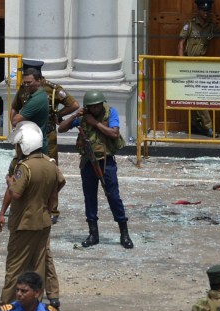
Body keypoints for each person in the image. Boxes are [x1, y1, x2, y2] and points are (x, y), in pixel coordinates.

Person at [0, 122, 60, 311]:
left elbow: (15, 193)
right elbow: (60, 182)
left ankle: (6, 306)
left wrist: (10, 182)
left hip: (24, 223)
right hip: (43, 222)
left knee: (14, 267)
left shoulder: (24, 167)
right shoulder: (49, 164)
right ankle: (33, 306)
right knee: (38, 266)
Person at [58, 90, 134, 249]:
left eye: (98, 105)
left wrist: (95, 123)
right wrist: (74, 116)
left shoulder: (110, 112)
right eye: (92, 107)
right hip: (88, 161)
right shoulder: (83, 115)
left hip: (106, 162)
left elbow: (114, 133)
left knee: (113, 196)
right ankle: (93, 234)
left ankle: (124, 233)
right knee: (90, 197)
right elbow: (62, 128)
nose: (96, 109)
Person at [11, 59, 80, 224]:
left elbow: (74, 104)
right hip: (26, 136)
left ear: (38, 78)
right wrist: (14, 124)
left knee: (50, 173)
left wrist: (57, 115)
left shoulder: (51, 89)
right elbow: (15, 106)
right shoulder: (23, 88)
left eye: (29, 79)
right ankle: (28, 205)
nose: (26, 84)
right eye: (24, 79)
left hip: (46, 135)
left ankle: (53, 209)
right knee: (25, 170)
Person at [178, 0, 220, 137]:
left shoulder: (210, 27)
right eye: (203, 11)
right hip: (189, 63)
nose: (205, 14)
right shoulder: (190, 25)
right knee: (194, 96)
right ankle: (206, 126)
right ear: (198, 10)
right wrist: (180, 62)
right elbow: (181, 43)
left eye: (207, 11)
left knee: (198, 95)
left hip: (201, 64)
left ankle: (198, 125)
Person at [11, 68, 49, 154]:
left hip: (34, 147)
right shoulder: (35, 95)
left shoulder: (37, 99)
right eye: (25, 82)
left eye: (29, 82)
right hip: (31, 144)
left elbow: (15, 120)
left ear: (38, 81)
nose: (26, 85)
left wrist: (20, 114)